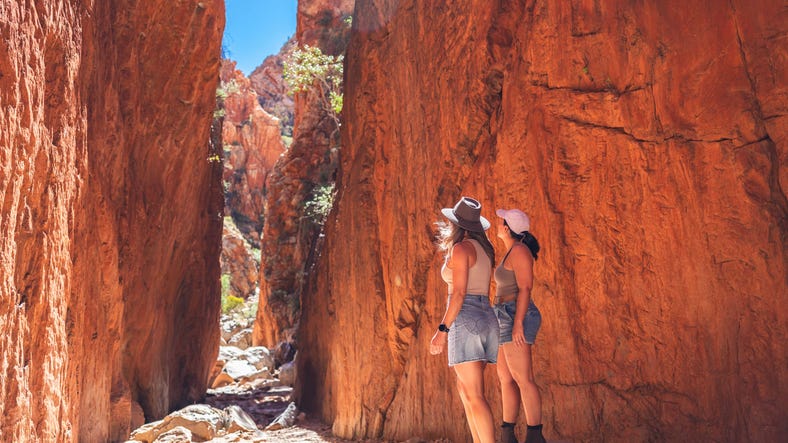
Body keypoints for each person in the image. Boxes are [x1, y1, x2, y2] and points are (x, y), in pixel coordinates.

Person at [430, 196, 499, 443]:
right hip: (486, 317)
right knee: (466, 391)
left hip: (466, 317)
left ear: (457, 225)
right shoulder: (485, 249)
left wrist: (442, 330)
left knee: (475, 394)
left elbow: (459, 294)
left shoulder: (461, 249)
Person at [492, 208, 546, 443]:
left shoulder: (521, 251)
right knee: (506, 377)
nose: (497, 225)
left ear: (506, 228)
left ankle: (535, 437)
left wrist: (518, 324)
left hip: (515, 315)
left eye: (500, 222)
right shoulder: (512, 251)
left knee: (523, 377)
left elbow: (525, 288)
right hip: (504, 315)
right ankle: (507, 435)